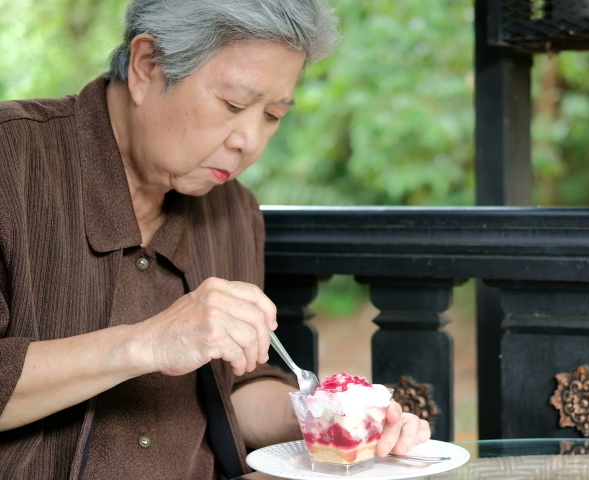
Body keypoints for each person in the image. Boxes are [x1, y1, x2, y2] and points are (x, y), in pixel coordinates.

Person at [0, 0, 430, 478]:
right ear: (148, 65)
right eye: (234, 105)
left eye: (272, 115)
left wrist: (328, 417)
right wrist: (144, 343)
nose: (250, 140)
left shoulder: (232, 210)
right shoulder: (12, 164)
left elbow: (234, 392)